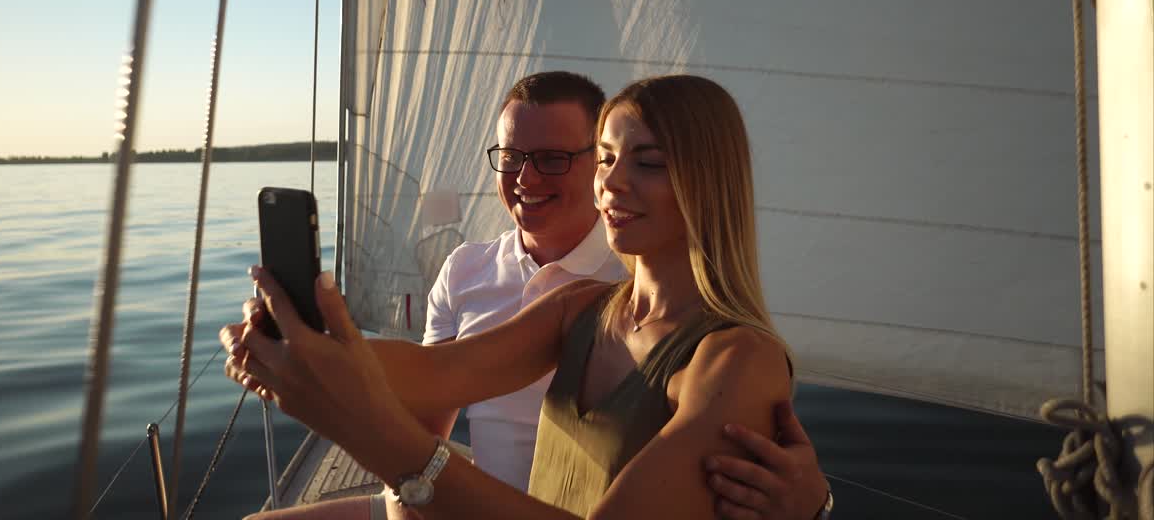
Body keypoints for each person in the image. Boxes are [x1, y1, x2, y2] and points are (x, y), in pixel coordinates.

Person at [225, 74, 832, 519]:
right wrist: (304, 339)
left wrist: (386, 445)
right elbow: (439, 373)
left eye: (647, 162)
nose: (611, 182)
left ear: (708, 182)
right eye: (608, 158)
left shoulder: (735, 360)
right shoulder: (586, 309)